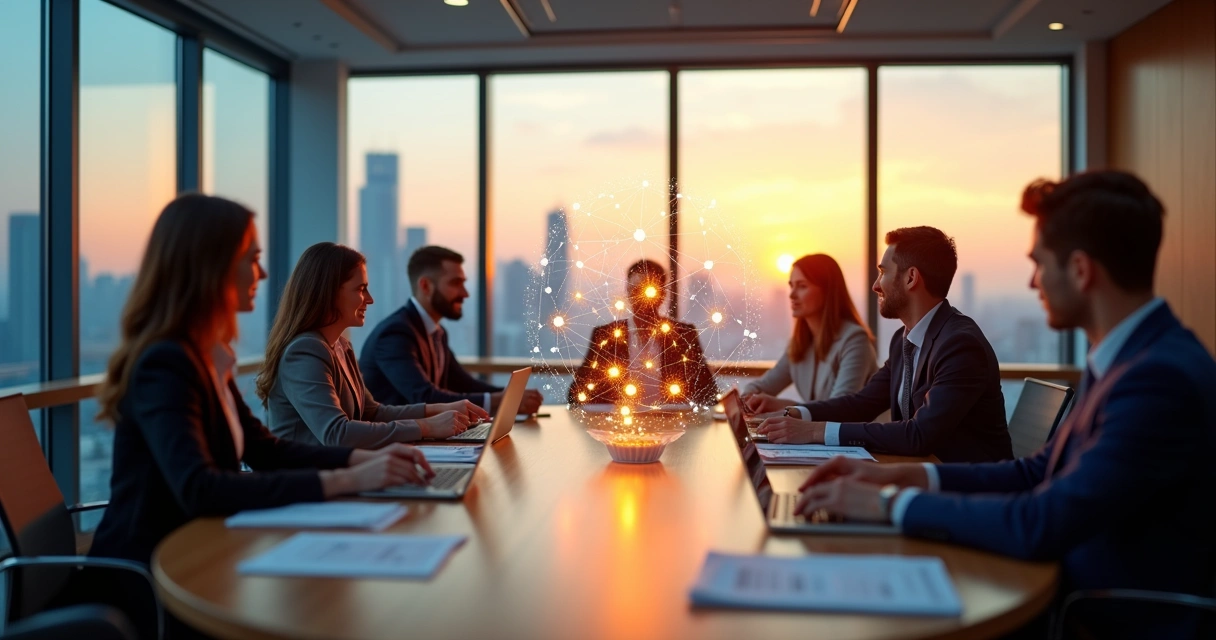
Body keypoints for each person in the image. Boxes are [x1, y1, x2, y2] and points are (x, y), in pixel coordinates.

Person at [795, 171, 1216, 638]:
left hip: (1098, 616)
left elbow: (1041, 521)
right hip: (1067, 590)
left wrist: (889, 504)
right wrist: (906, 476)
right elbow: (1036, 473)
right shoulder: (1128, 357)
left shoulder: (1158, 379)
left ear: (1080, 269)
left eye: (1039, 262)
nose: (1033, 281)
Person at [89, 195, 435, 567]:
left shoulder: (205, 357)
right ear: (212, 267)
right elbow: (200, 488)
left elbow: (266, 451)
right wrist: (348, 479)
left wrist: (364, 460)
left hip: (205, 554)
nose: (264, 274)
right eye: (253, 260)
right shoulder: (166, 363)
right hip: (151, 575)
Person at [752, 226, 1011, 463]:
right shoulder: (904, 341)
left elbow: (919, 434)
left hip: (968, 492)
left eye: (883, 272)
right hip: (918, 474)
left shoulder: (959, 345)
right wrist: (797, 414)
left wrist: (815, 431)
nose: (876, 285)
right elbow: (861, 403)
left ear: (911, 278)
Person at [259, 242, 489, 448]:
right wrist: (426, 427)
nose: (370, 299)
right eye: (361, 289)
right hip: (308, 485)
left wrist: (436, 409)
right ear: (328, 293)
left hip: (341, 472)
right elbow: (336, 433)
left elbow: (372, 411)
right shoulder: (305, 351)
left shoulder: (340, 346)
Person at [360, 245, 543, 414]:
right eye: (456, 283)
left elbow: (463, 383)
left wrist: (512, 395)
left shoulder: (437, 332)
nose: (465, 293)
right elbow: (425, 397)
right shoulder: (395, 334)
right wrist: (502, 400)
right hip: (395, 444)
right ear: (425, 286)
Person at [567, 259, 718, 407]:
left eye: (647, 291)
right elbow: (576, 394)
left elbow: (709, 393)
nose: (641, 299)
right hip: (619, 427)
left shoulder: (684, 336)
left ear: (663, 294)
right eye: (635, 290)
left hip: (671, 426)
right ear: (627, 292)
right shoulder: (606, 336)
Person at [741, 253, 877, 407]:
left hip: (856, 431)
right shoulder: (800, 343)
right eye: (791, 285)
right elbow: (760, 386)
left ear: (827, 291)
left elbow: (839, 408)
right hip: (818, 431)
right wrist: (748, 398)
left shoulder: (855, 340)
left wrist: (784, 407)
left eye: (802, 286)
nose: (792, 295)